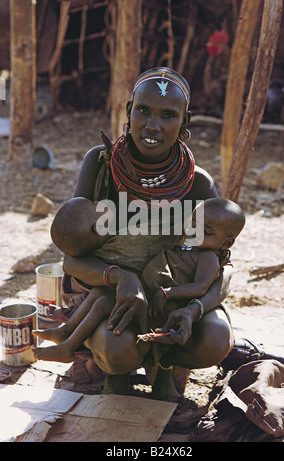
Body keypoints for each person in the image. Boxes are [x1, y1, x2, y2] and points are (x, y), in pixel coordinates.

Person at [39, 67, 235, 400]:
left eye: (168, 115)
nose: (153, 125)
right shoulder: (100, 165)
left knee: (216, 337)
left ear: (184, 122)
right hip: (108, 298)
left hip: (171, 302)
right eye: (143, 110)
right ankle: (114, 368)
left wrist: (193, 309)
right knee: (117, 348)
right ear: (129, 110)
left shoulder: (197, 183)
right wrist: (119, 276)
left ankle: (166, 366)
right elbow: (71, 254)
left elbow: (223, 267)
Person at [33, 197, 245, 368]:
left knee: (104, 304)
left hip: (162, 304)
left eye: (204, 230)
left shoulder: (207, 253)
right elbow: (71, 248)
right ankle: (65, 333)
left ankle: (69, 348)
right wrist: (121, 276)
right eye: (192, 223)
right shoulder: (193, 245)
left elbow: (207, 282)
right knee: (99, 296)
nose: (193, 230)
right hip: (140, 290)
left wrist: (179, 300)